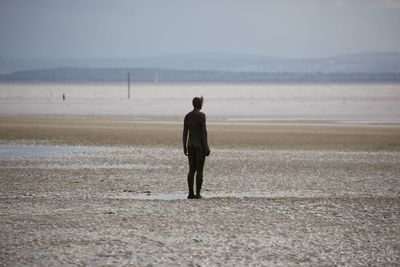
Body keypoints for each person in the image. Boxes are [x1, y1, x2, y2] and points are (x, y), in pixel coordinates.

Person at [183, 96, 210, 199]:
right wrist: (206, 147)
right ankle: (197, 194)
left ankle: (190, 193)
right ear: (200, 105)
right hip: (199, 146)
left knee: (191, 170)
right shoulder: (202, 116)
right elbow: (203, 133)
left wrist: (184, 147)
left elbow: (185, 133)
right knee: (199, 170)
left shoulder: (187, 116)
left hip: (190, 145)